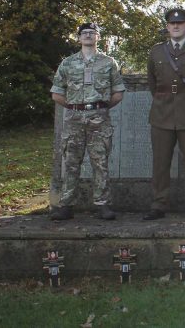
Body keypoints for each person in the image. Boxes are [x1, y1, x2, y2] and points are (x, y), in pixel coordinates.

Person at [50, 22, 126, 221]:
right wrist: (76, 107)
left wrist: (100, 107)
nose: (88, 36)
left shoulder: (109, 62)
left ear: (98, 37)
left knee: (100, 162)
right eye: (84, 33)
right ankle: (66, 205)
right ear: (79, 38)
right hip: (74, 119)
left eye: (92, 33)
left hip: (99, 119)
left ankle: (102, 205)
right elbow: (56, 93)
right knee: (72, 162)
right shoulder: (67, 63)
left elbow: (118, 92)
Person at [143, 8, 185, 220]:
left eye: (180, 23)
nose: (176, 26)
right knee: (160, 161)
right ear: (167, 27)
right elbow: (153, 84)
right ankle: (158, 203)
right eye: (172, 24)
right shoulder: (156, 52)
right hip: (162, 113)